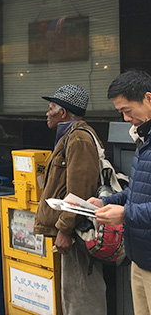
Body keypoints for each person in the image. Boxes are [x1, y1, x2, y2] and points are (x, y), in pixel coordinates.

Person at [33, 84, 106, 314]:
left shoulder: (78, 139)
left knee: (82, 296)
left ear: (63, 112)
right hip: (73, 229)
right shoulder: (70, 136)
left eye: (50, 108)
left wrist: (64, 230)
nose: (47, 113)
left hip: (77, 232)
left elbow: (80, 191)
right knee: (73, 295)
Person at [88, 70, 151, 315]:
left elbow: (133, 206)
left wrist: (124, 214)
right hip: (140, 258)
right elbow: (137, 191)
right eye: (120, 112)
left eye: (127, 110)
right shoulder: (144, 140)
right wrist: (103, 201)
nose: (125, 118)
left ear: (148, 98)